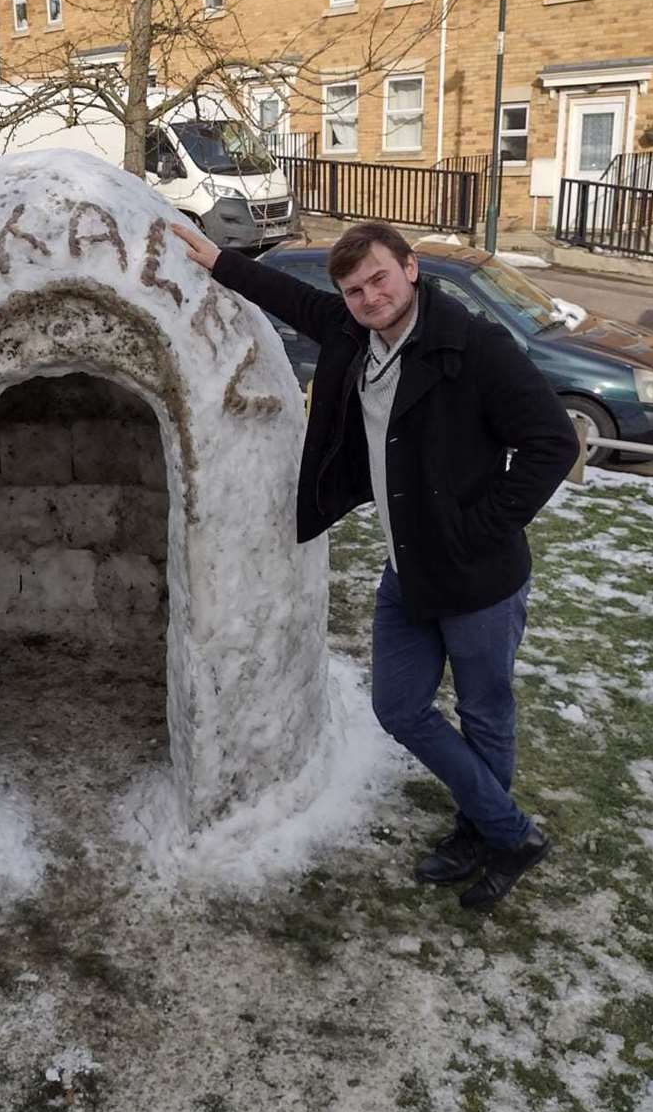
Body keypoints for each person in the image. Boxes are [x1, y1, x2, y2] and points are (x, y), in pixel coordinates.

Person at [170, 218, 579, 910]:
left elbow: (552, 442)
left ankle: (483, 831)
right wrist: (220, 261)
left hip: (478, 576)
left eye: (379, 279)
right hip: (408, 567)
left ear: (410, 269)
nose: (368, 297)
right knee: (399, 707)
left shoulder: (473, 347)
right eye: (354, 289)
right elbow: (292, 301)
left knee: (484, 714)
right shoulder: (356, 337)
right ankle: (509, 831)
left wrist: (479, 528)